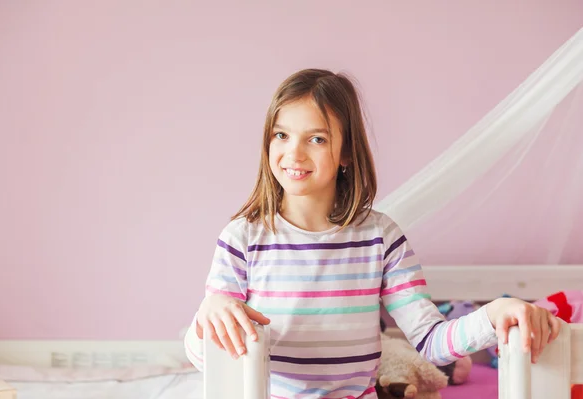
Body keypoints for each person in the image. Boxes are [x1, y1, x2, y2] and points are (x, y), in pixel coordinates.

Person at [184, 68, 561, 398]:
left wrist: (495, 314)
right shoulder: (242, 238)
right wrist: (206, 317)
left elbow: (431, 342)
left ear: (346, 152)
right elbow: (208, 360)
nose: (294, 153)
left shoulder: (380, 237)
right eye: (281, 135)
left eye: (317, 139)